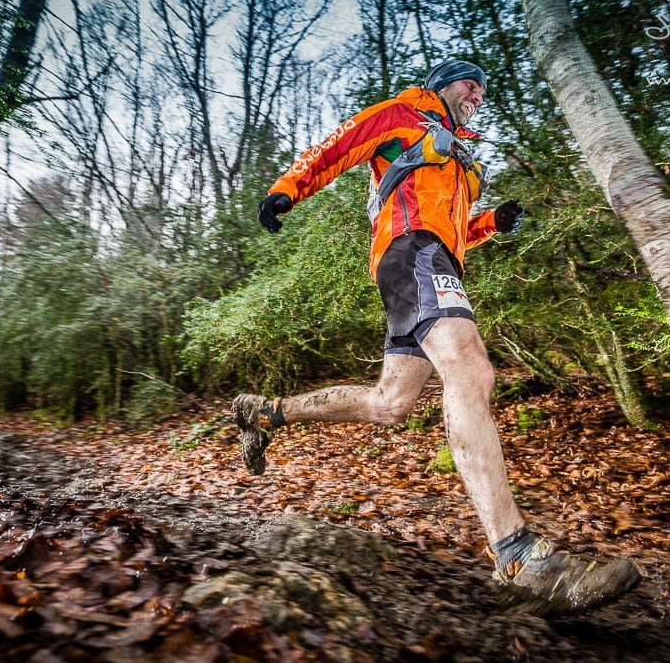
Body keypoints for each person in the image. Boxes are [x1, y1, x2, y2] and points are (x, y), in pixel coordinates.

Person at [232, 60, 640, 615]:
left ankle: (264, 414)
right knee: (471, 369)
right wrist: (288, 189)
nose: (478, 92)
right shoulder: (402, 114)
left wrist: (492, 221)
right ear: (442, 84)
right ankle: (518, 554)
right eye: (470, 81)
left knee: (390, 402)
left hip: (434, 256)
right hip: (410, 249)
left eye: (483, 88)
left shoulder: (466, 164)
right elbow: (341, 142)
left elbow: (459, 225)